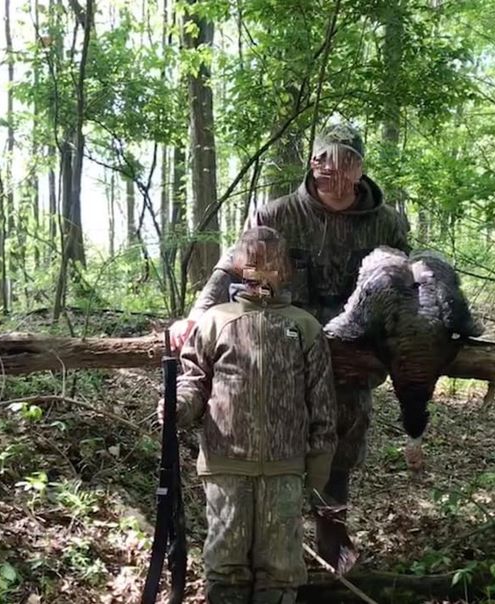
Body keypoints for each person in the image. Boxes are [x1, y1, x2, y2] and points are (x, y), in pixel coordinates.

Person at [170, 122, 410, 562]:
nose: (330, 170)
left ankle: (331, 545)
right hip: (279, 346)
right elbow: (232, 268)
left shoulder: (387, 224)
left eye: (342, 162)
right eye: (322, 160)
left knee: (339, 450)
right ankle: (269, 548)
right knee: (273, 441)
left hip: (351, 359)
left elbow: (401, 287)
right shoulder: (276, 214)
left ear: (359, 168)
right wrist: (197, 314)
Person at [167, 226, 338, 604]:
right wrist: (176, 408)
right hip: (226, 464)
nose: (262, 270)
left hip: (285, 467)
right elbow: (194, 381)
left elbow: (322, 404)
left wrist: (318, 466)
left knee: (279, 569)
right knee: (226, 563)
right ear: (238, 267)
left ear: (286, 270)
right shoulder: (216, 320)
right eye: (253, 260)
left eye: (272, 262)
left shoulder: (304, 326)